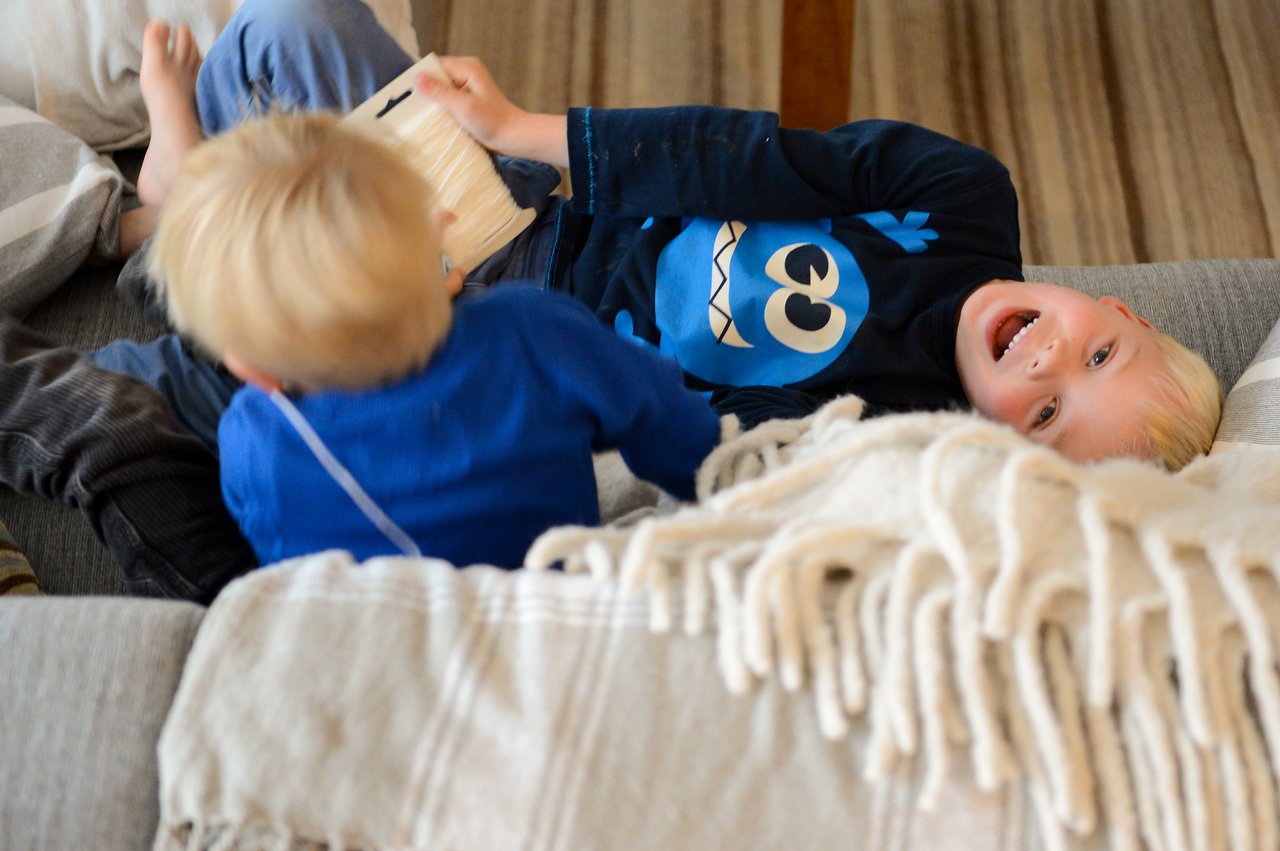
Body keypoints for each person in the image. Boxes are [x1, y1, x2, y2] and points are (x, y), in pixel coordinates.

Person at [103, 0, 1221, 475]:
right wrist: (522, 132)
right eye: (1098, 353)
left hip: (487, 330)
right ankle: (180, 207)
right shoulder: (964, 200)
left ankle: (174, 207)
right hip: (520, 206)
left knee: (247, 343)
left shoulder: (900, 432)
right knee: (290, 23)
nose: (1046, 360)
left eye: (1044, 414)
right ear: (1116, 307)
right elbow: (750, 156)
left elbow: (695, 438)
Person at [144, 106, 722, 568]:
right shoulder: (533, 331)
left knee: (132, 378)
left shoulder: (254, 440)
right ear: (443, 252)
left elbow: (287, 565)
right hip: (548, 597)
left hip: (403, 643)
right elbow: (676, 430)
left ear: (253, 373)